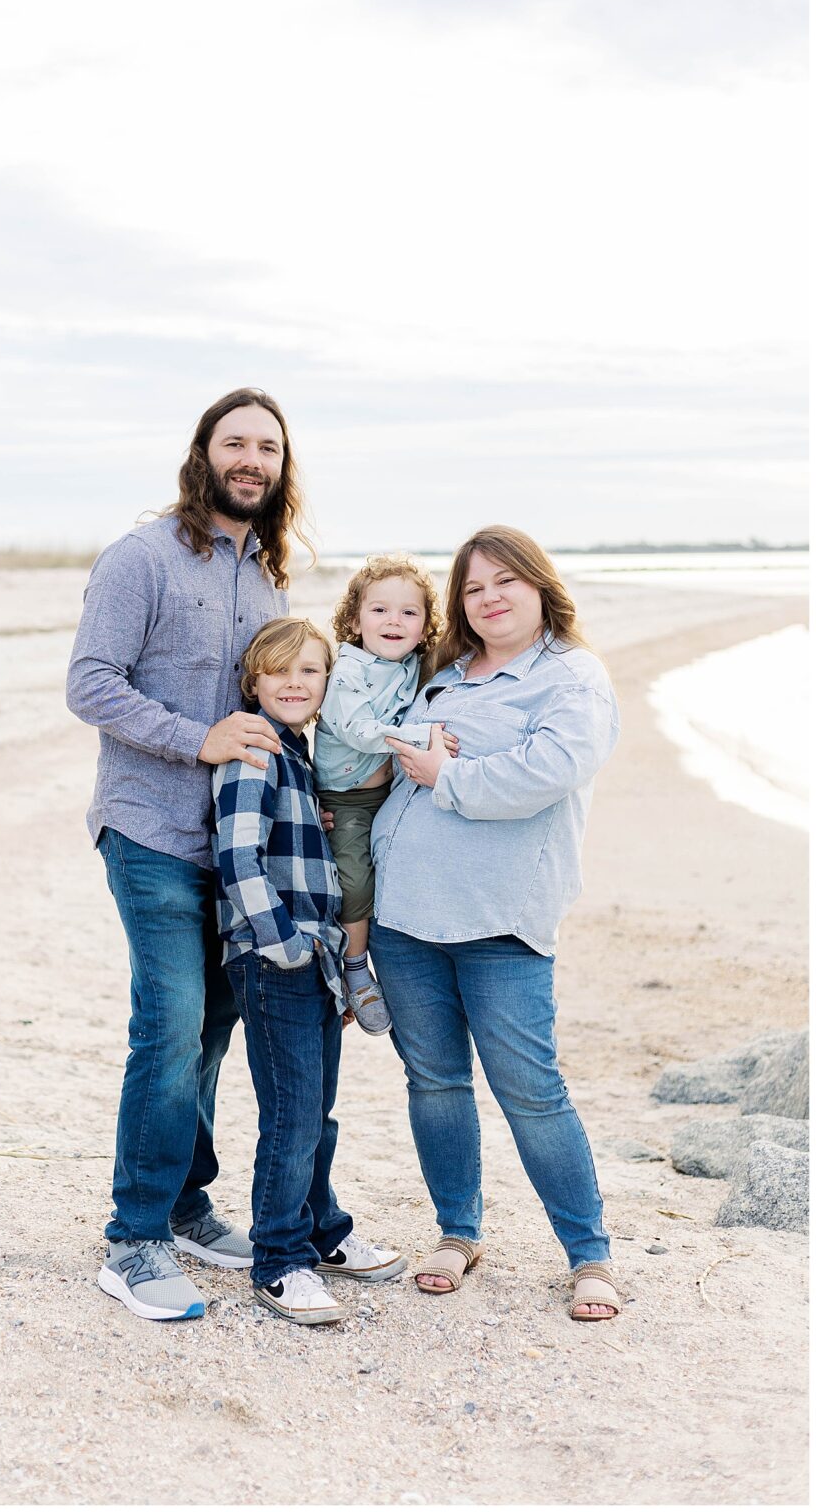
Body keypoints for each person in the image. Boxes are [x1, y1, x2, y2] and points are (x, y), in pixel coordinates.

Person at [66, 387, 313, 1322]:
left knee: (213, 1028)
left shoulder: (268, 580)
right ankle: (132, 1241)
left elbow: (279, 705)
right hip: (149, 828)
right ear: (203, 453)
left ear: (281, 470)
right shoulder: (140, 558)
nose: (252, 459)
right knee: (167, 1027)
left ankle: (183, 1205)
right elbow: (89, 684)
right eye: (236, 443)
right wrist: (193, 737)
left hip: (236, 844)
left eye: (268, 448)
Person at [370, 526, 623, 1321]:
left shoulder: (571, 678)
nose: (489, 598)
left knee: (531, 1092)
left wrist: (448, 772)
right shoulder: (442, 674)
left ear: (540, 587)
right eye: (474, 587)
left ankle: (588, 1257)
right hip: (403, 917)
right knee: (435, 1084)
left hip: (500, 923)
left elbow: (548, 773)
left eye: (505, 581)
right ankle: (457, 1231)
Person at [213, 616, 407, 1324]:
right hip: (275, 960)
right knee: (291, 1116)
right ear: (253, 682)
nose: (294, 684)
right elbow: (237, 858)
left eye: (310, 671)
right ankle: (280, 1260)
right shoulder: (254, 753)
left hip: (315, 958)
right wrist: (285, 944)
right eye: (278, 672)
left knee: (314, 1112)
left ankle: (324, 1232)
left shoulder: (299, 755)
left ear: (329, 682)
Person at [313, 555, 454, 1034]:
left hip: (390, 794)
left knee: (401, 875)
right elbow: (357, 731)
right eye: (379, 610)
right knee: (354, 883)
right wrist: (422, 736)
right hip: (346, 797)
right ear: (355, 620)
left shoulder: (416, 664)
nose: (394, 620)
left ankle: (409, 964)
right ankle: (355, 970)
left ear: (423, 628)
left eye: (409, 613)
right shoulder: (348, 670)